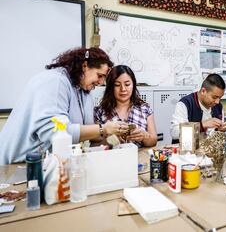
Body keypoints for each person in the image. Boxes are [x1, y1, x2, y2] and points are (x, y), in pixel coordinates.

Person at [0, 48, 130, 164]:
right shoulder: (55, 82)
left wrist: (112, 133)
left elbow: (88, 131)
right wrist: (104, 129)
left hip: (45, 162)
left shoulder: (84, 91)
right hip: (15, 164)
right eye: (99, 75)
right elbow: (56, 133)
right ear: (85, 66)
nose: (101, 82)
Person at [94, 65, 157, 147]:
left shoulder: (145, 109)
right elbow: (93, 145)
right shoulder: (99, 111)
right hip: (111, 158)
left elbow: (154, 141)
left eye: (127, 84)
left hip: (138, 157)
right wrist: (109, 141)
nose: (123, 89)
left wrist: (144, 136)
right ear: (110, 87)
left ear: (133, 85)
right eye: (117, 85)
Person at [170, 74, 226, 140]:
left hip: (208, 148)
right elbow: (174, 133)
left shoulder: (218, 106)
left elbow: (219, 136)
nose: (217, 101)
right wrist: (202, 125)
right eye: (214, 97)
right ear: (203, 91)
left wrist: (221, 130)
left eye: (220, 98)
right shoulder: (186, 103)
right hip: (188, 149)